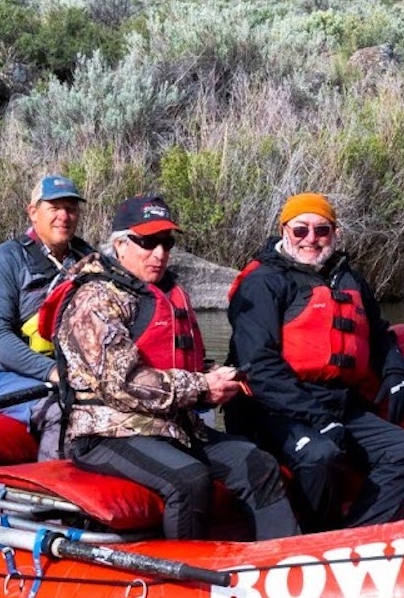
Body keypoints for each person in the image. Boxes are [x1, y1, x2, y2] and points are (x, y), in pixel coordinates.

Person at [51, 194, 300, 541]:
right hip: (107, 433)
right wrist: (201, 387)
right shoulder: (95, 299)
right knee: (188, 479)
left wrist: (218, 377)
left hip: (173, 426)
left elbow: (184, 363)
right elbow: (123, 382)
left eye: (166, 242)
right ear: (120, 245)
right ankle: (187, 585)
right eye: (148, 242)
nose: (159, 253)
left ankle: (284, 561)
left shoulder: (164, 292)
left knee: (256, 463)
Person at [226, 193, 404, 530]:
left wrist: (395, 371)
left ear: (335, 233)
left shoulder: (350, 279)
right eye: (300, 230)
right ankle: (315, 536)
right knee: (320, 455)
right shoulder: (263, 283)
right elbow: (258, 366)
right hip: (273, 409)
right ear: (284, 231)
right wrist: (317, 417)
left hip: (340, 405)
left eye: (322, 230)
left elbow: (378, 334)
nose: (311, 239)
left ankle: (356, 537)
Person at [0, 175, 93, 454]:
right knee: (61, 410)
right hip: (2, 375)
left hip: (70, 371)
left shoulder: (88, 259)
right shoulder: (5, 259)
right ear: (33, 212)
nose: (64, 216)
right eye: (54, 208)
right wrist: (52, 372)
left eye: (71, 208)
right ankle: (48, 491)